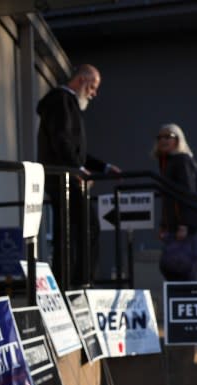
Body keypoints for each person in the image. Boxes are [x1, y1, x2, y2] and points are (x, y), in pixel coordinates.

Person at [37, 64, 120, 285]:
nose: (94, 93)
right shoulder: (61, 101)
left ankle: (72, 281)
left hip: (67, 174)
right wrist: (77, 169)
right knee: (84, 228)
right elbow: (61, 140)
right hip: (64, 177)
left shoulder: (65, 103)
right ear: (82, 80)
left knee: (72, 231)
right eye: (92, 86)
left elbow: (76, 149)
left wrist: (103, 166)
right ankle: (79, 282)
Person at [152, 123, 197, 281]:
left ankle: (186, 302)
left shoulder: (181, 160)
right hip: (173, 225)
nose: (163, 140)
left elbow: (188, 192)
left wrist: (185, 224)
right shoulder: (167, 162)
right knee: (173, 267)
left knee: (182, 267)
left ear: (178, 139)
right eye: (160, 137)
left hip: (182, 226)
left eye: (168, 136)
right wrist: (163, 224)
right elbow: (168, 200)